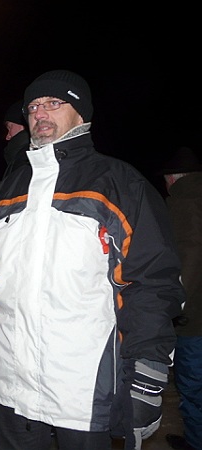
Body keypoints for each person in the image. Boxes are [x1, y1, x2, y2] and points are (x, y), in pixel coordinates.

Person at [0, 69, 185, 450]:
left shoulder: (119, 183)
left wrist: (146, 376)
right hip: (12, 387)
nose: (40, 114)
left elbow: (151, 285)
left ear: (82, 114)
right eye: (33, 107)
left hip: (83, 390)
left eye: (53, 103)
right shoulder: (8, 189)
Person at [159, 147, 202, 450]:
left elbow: (189, 256)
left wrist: (176, 306)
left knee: (193, 384)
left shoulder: (183, 203)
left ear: (172, 178)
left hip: (195, 319)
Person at [2, 99, 30, 176]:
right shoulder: (19, 159)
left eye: (9, 128)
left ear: (23, 125)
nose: (7, 137)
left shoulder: (25, 161)